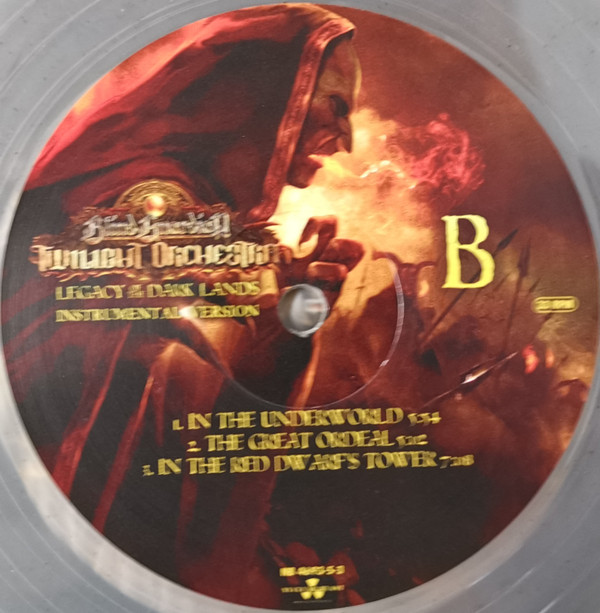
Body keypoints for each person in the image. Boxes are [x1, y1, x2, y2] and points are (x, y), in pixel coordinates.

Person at [2, 4, 367, 607]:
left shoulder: (202, 222)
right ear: (259, 92)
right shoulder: (143, 198)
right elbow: (115, 397)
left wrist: (287, 335)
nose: (346, 139)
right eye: (334, 104)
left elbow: (207, 430)